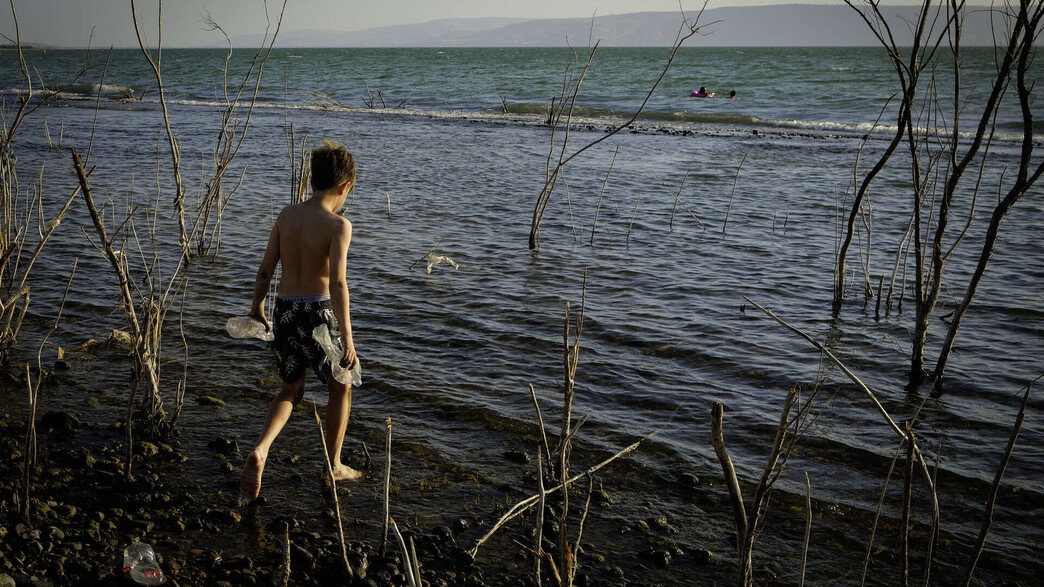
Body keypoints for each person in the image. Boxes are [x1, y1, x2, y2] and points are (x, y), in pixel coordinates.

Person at [239, 139, 362, 500]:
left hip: (285, 309)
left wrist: (257, 307)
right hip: (319, 313)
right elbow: (338, 283)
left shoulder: (286, 216)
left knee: (290, 388)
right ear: (345, 187)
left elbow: (265, 269)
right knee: (341, 386)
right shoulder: (339, 226)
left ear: (311, 181)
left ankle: (261, 449)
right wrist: (349, 339)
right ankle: (333, 464)